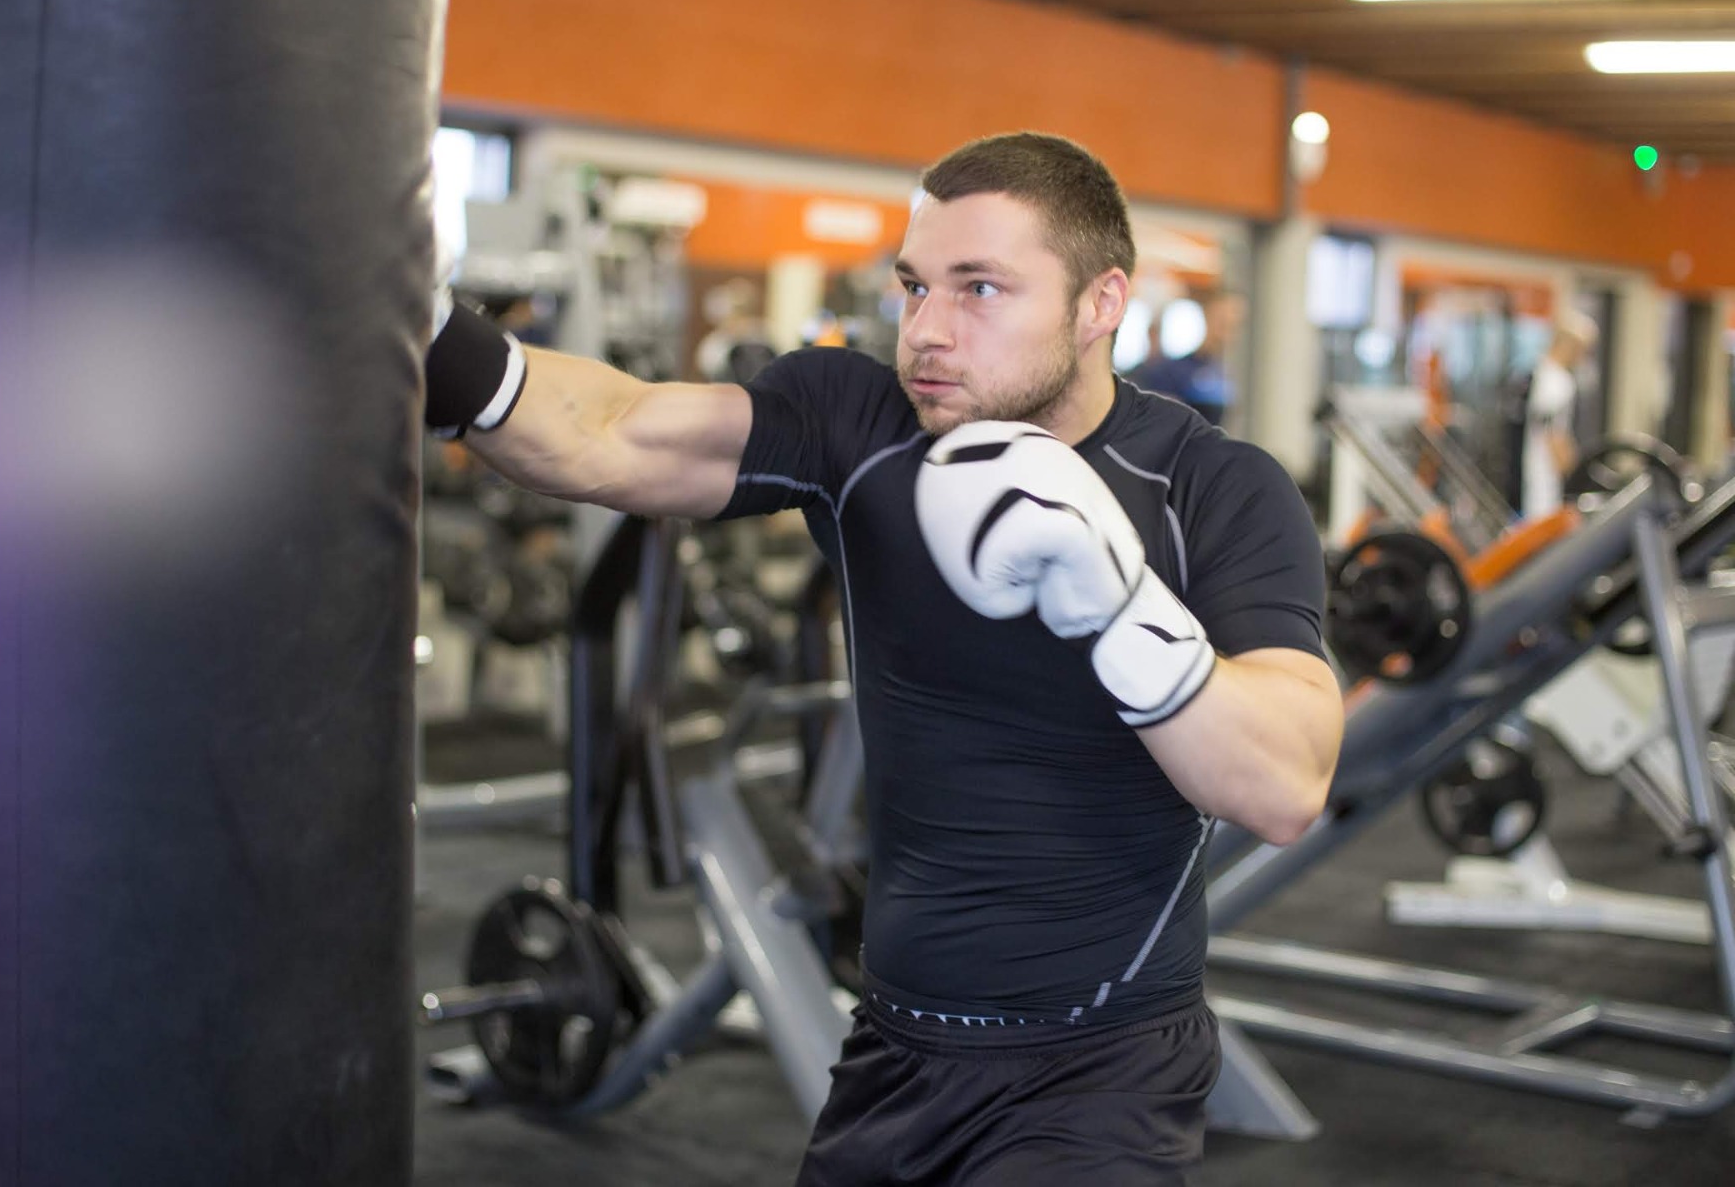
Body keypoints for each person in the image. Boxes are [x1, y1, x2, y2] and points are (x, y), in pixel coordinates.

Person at [424, 131, 1344, 1185]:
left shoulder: (1211, 489)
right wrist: (417, 323)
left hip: (1098, 1074)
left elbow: (1286, 783)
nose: (926, 331)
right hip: (892, 1052)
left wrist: (1116, 601)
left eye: (979, 289)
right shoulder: (861, 428)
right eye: (914, 287)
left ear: (1100, 305)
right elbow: (613, 429)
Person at [1510, 312, 1597, 519]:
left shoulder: (1542, 373)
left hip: (1533, 477)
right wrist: (1578, 478)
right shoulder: (1558, 382)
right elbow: (1555, 437)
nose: (1582, 357)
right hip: (1545, 484)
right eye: (1582, 350)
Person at [1128, 291, 1243, 426]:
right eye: (1222, 322)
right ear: (1207, 316)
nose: (1228, 332)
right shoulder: (1173, 370)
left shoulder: (1224, 373)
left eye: (1235, 325)